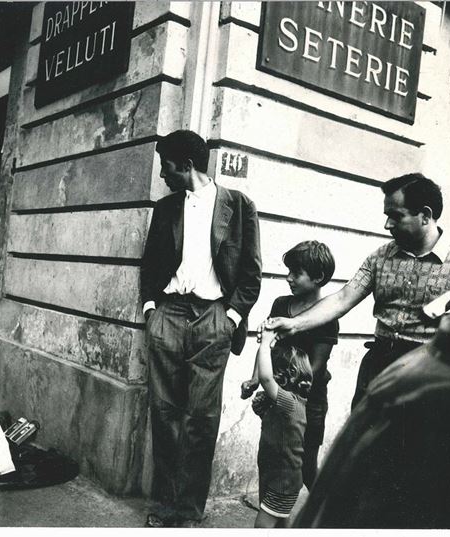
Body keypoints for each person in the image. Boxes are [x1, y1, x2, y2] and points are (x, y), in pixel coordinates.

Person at [267, 174, 450, 410]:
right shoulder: (380, 257)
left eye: (396, 216)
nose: (387, 225)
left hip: (430, 374)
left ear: (425, 215)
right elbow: (343, 298)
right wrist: (295, 324)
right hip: (378, 367)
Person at [140, 130, 262, 527]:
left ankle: (189, 511)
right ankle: (164, 505)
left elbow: (251, 274)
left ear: (187, 165)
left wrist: (230, 318)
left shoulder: (238, 205)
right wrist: (151, 310)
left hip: (213, 318)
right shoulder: (165, 208)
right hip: (169, 315)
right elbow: (150, 263)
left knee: (201, 419)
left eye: (166, 167)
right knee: (164, 414)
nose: (162, 175)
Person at [242, 241, 338, 488]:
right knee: (272, 458)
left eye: (296, 273)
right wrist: (256, 379)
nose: (289, 278)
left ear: (318, 277)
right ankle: (274, 509)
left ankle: (324, 509)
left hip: (309, 403)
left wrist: (277, 391)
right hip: (277, 397)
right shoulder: (281, 305)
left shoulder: (327, 317)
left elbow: (315, 368)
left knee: (306, 468)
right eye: (289, 271)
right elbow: (266, 346)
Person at [242, 328, 312, 528]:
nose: (269, 375)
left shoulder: (290, 403)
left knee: (262, 527)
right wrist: (261, 409)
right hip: (274, 475)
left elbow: (265, 379)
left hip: (282, 483)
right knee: (280, 524)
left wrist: (265, 343)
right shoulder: (283, 405)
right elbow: (275, 426)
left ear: (288, 375)